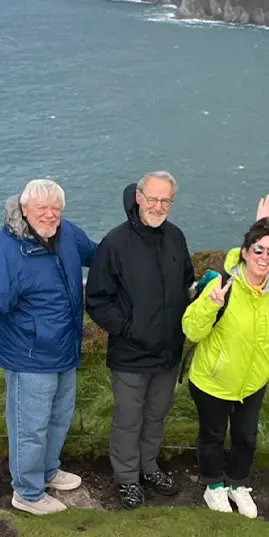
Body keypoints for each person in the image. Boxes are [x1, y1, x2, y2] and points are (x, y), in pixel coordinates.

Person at [0, 179, 98, 516]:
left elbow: (101, 254)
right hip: (29, 356)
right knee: (30, 427)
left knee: (58, 418)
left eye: (56, 209)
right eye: (42, 209)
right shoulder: (7, 251)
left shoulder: (67, 235)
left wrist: (135, 232)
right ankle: (27, 492)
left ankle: (48, 472)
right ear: (24, 210)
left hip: (64, 351)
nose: (50, 215)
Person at [85, 172, 193, 509]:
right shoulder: (115, 243)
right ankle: (128, 479)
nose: (158, 206)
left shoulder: (175, 237)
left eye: (165, 201)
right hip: (131, 353)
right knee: (129, 420)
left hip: (168, 351)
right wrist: (130, 328)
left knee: (155, 416)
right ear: (138, 197)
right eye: (152, 199)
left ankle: (149, 467)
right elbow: (97, 299)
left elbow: (186, 282)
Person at [182, 217, 269, 519]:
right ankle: (213, 486)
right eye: (258, 250)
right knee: (212, 436)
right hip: (213, 380)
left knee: (246, 436)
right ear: (244, 252)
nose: (264, 258)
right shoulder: (222, 286)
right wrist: (210, 304)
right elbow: (191, 330)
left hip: (253, 381)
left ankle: (237, 484)